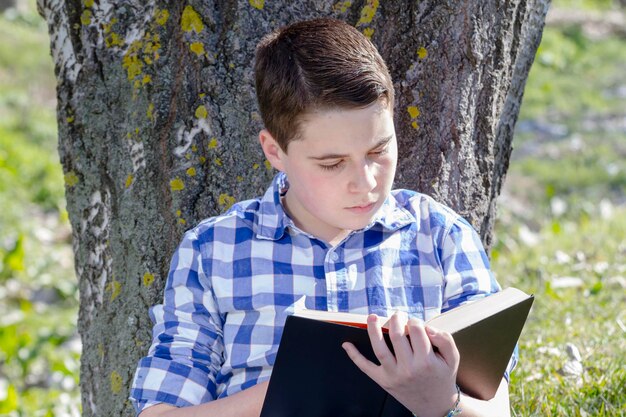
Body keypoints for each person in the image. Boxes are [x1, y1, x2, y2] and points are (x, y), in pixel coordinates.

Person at [130, 17, 515, 417]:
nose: (365, 182)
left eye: (378, 151)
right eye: (332, 164)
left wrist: (441, 402)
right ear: (275, 151)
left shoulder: (440, 237)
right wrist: (285, 392)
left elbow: (497, 410)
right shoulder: (213, 252)